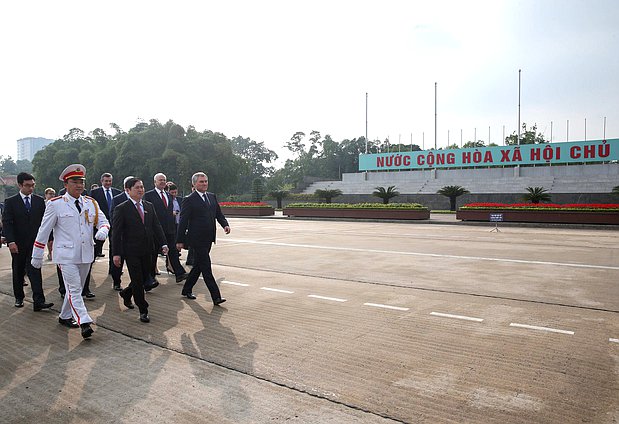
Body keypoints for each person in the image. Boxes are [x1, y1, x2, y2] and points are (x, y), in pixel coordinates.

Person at [31, 164, 110, 339]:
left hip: (86, 254)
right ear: (66, 184)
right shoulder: (55, 205)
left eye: (81, 181)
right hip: (65, 255)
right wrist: (37, 254)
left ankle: (65, 315)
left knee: (76, 288)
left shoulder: (91, 203)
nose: (79, 185)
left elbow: (104, 221)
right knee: (74, 289)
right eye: (75, 181)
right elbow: (43, 231)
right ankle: (84, 320)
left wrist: (103, 230)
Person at [112, 177, 168, 323]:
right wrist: (116, 253)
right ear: (128, 190)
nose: (140, 190)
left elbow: (156, 226)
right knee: (137, 280)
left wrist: (163, 243)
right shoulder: (122, 208)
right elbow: (116, 233)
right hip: (131, 251)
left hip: (148, 249)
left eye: (142, 187)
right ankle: (143, 309)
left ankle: (126, 293)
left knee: (144, 277)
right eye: (136, 187)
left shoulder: (148, 206)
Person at [2, 172, 53, 311]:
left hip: (35, 243)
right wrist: (11, 241)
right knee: (18, 271)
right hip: (17, 243)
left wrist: (49, 239)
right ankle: (19, 297)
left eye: (32, 185)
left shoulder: (38, 201)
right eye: (27, 185)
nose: (30, 188)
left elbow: (45, 222)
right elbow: (7, 223)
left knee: (35, 270)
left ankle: (39, 301)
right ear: (20, 185)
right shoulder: (11, 202)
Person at [176, 172, 229, 305]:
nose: (204, 184)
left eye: (205, 181)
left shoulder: (211, 196)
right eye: (201, 182)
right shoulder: (189, 199)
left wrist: (225, 225)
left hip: (209, 238)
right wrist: (179, 240)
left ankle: (186, 289)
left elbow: (218, 213)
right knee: (206, 267)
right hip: (196, 239)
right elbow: (183, 221)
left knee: (198, 266)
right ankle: (216, 297)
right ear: (194, 184)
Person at [144, 173, 187, 283]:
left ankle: (179, 273)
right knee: (153, 254)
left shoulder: (168, 195)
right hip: (156, 230)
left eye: (164, 180)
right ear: (155, 182)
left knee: (173, 251)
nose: (163, 182)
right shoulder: (149, 195)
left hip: (169, 229)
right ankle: (150, 277)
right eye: (160, 180)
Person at [90, 173, 122, 269]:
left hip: (114, 223)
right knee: (97, 246)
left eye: (109, 181)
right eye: (106, 181)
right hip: (100, 225)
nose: (108, 183)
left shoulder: (117, 192)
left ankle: (113, 270)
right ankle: (89, 266)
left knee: (114, 247)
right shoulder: (95, 192)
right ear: (102, 181)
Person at [44, 188, 56, 260]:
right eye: (50, 194)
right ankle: (50, 252)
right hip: (46, 224)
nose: (52, 195)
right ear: (46, 195)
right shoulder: (43, 204)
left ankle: (52, 252)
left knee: (53, 240)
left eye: (53, 194)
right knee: (50, 240)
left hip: (55, 224)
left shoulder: (56, 203)